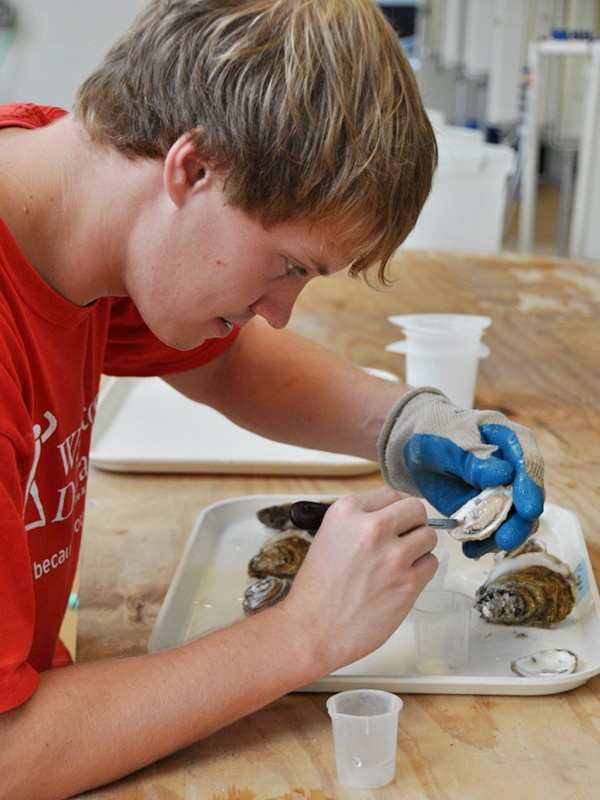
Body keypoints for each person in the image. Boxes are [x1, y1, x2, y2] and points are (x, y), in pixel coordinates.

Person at [0, 1, 544, 797]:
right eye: (288, 264)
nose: (281, 311)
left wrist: (405, 426)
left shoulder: (74, 203)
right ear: (191, 167)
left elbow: (224, 363)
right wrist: (305, 633)